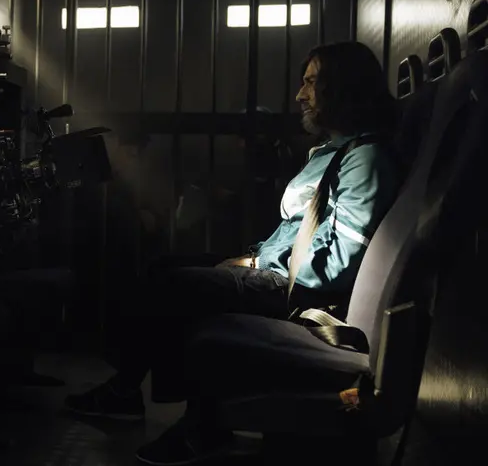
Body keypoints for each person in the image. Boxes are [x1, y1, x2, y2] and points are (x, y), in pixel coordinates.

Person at [64, 41, 402, 465]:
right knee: (164, 267)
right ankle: (137, 394)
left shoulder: (365, 161)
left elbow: (334, 265)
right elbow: (301, 232)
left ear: (343, 88)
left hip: (297, 292)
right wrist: (253, 259)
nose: (300, 95)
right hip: (278, 271)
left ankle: (191, 419)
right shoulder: (335, 153)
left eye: (311, 82)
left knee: (173, 285)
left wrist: (259, 267)